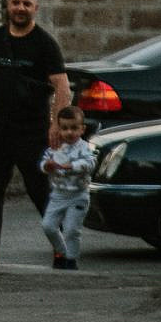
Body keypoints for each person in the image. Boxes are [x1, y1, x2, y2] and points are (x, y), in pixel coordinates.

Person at [0, 0, 71, 266]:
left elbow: (62, 86)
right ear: (7, 5)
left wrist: (56, 125)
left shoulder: (45, 43)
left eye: (26, 4)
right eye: (16, 3)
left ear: (36, 8)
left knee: (39, 190)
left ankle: (61, 250)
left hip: (31, 130)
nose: (20, 8)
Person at [38, 105, 98, 271]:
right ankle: (62, 252)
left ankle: (71, 260)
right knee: (48, 226)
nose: (69, 133)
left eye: (74, 128)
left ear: (82, 129)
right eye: (64, 128)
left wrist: (71, 166)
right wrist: (47, 166)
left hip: (78, 194)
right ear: (59, 128)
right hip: (58, 195)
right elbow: (44, 162)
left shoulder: (84, 147)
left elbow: (91, 163)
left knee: (72, 229)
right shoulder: (55, 148)